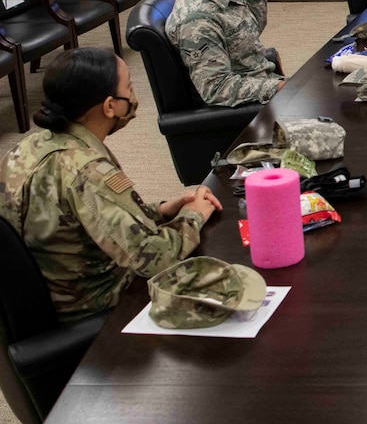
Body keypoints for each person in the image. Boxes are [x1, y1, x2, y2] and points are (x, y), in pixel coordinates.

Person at [0, 48, 222, 323]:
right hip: (89, 306)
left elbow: (90, 217)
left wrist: (162, 210)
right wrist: (194, 215)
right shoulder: (88, 172)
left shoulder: (28, 148)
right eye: (128, 87)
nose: (133, 95)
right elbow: (153, 259)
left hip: (42, 293)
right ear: (109, 106)